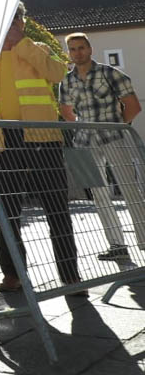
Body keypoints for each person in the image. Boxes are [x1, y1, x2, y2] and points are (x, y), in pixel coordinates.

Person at [0, 4, 83, 295]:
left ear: (22, 22)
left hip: (43, 137)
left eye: (15, 18)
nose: (10, 24)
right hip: (1, 140)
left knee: (57, 208)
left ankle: (71, 276)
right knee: (7, 212)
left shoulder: (36, 46)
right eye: (4, 18)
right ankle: (13, 274)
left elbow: (57, 74)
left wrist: (22, 44)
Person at [59, 31, 145, 260]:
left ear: (90, 49)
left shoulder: (110, 73)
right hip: (84, 142)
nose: (78, 53)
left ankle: (144, 240)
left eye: (81, 48)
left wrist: (117, 125)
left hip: (115, 139)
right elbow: (65, 110)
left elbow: (133, 106)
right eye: (73, 49)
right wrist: (81, 126)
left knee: (130, 188)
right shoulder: (67, 81)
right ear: (70, 53)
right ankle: (117, 245)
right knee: (98, 194)